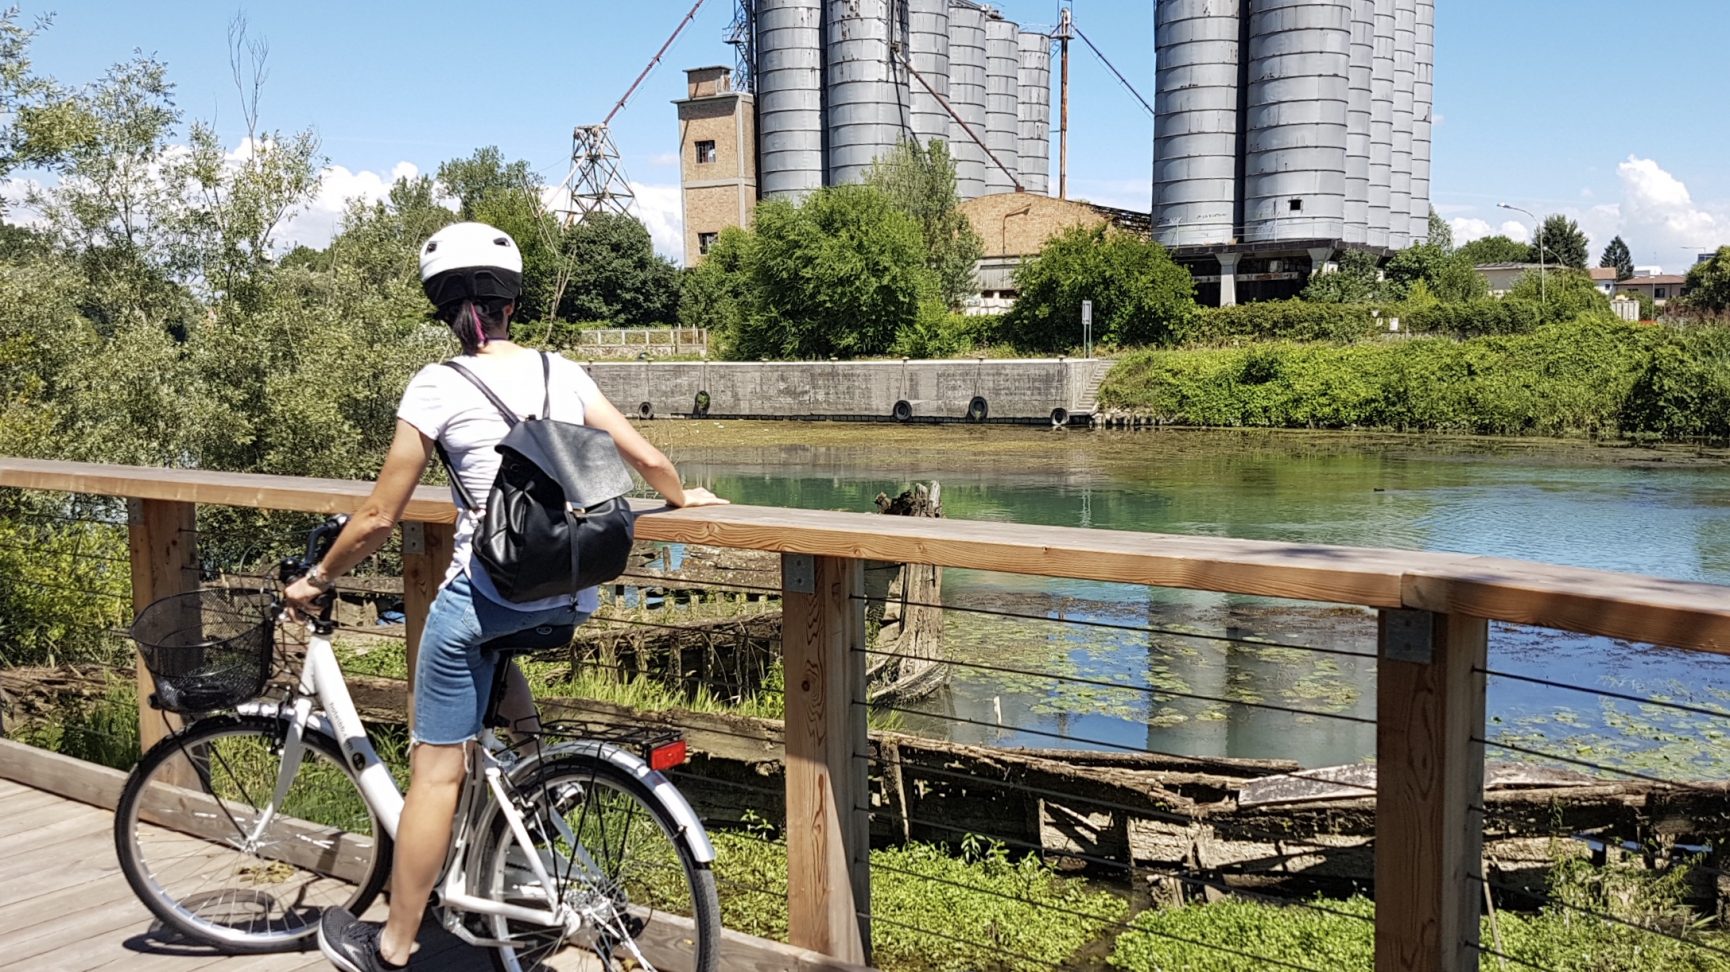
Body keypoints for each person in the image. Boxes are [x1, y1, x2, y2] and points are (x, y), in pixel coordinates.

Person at [290, 221, 726, 972]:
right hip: (569, 595)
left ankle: (391, 946)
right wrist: (684, 498)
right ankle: (534, 786)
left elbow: (378, 516)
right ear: (512, 305)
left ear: (444, 309)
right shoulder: (564, 371)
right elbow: (648, 458)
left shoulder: (438, 383)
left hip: (486, 595)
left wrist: (318, 578)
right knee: (496, 657)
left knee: (436, 770)